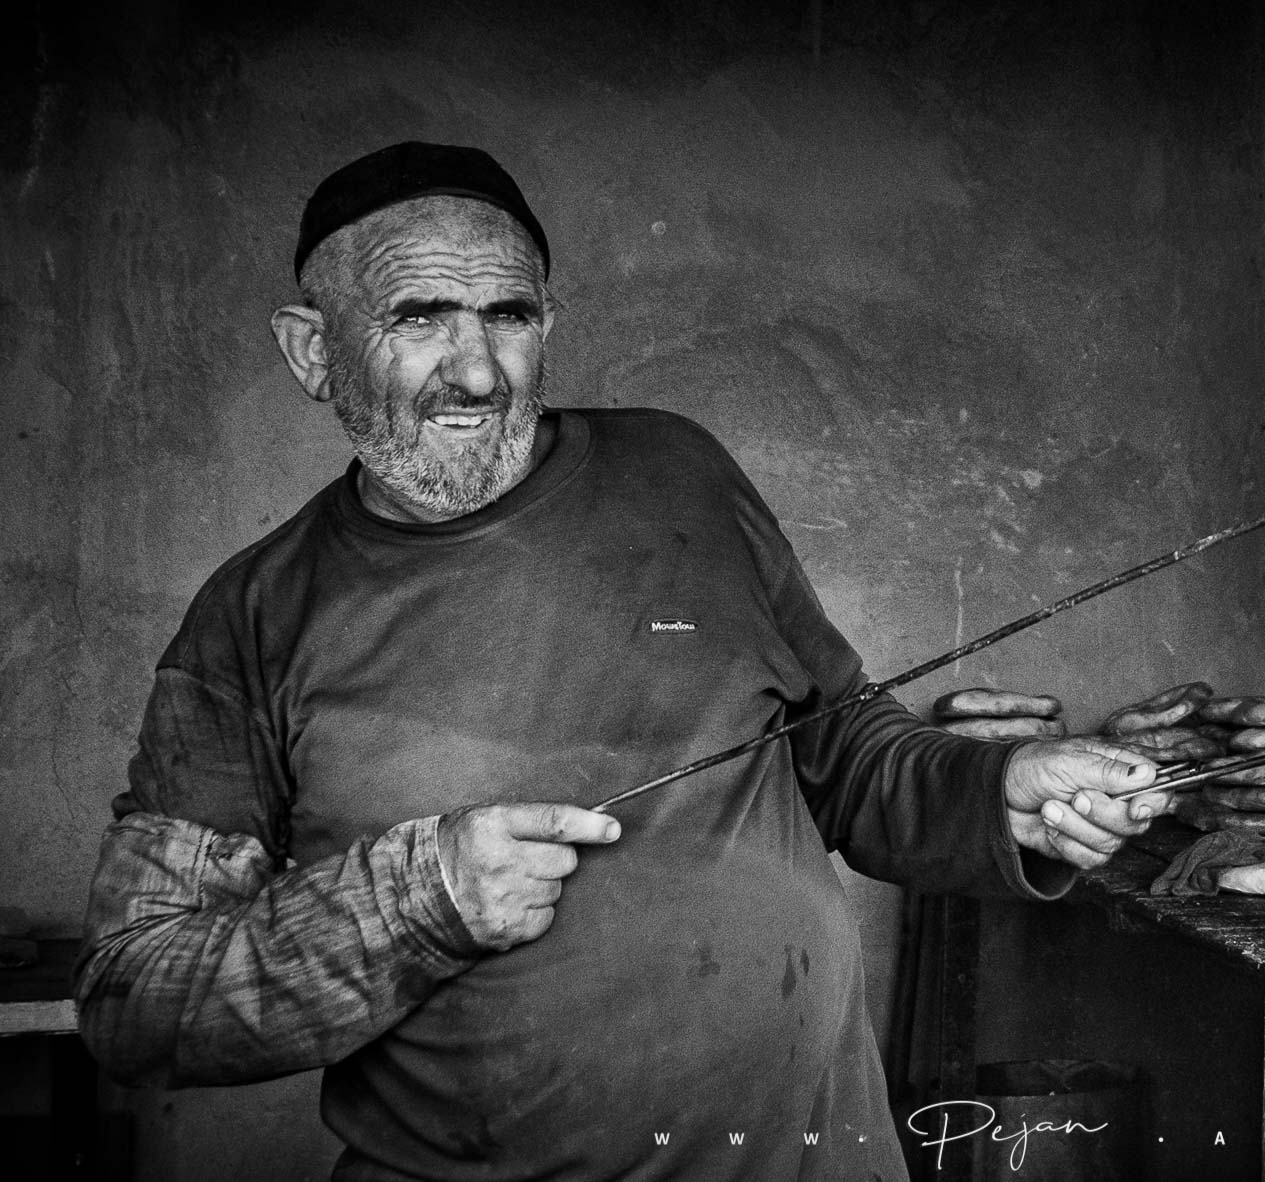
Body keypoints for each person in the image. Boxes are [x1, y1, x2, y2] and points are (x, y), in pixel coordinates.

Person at [73, 141, 1172, 1181]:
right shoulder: (251, 622)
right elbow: (139, 999)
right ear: (313, 350)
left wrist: (998, 796)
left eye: (507, 315)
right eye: (418, 318)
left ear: (548, 323)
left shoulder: (678, 475)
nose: (474, 373)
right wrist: (418, 899)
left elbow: (844, 750)